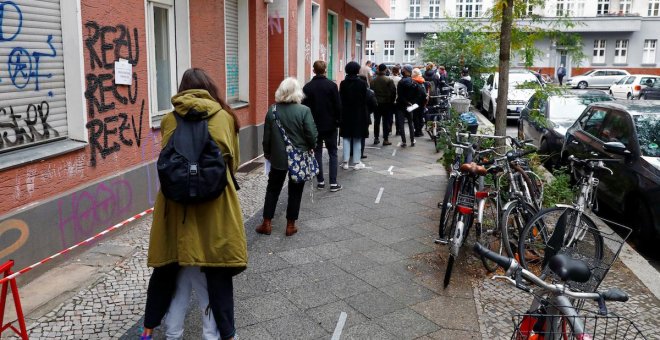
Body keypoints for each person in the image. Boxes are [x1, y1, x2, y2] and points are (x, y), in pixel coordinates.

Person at [142, 68, 246, 340]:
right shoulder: (225, 117)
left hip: (176, 209)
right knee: (212, 279)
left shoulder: (168, 119)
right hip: (216, 209)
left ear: (182, 90)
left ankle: (170, 333)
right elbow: (232, 163)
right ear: (210, 88)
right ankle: (215, 335)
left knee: (174, 276)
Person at [256, 77, 318, 236]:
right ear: (298, 93)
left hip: (278, 158)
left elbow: (267, 137)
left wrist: (268, 153)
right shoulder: (304, 111)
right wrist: (311, 146)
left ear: (281, 92)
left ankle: (266, 223)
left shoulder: (273, 110)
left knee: (273, 189)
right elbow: (311, 135)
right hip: (298, 158)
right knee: (296, 190)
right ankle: (290, 225)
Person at [302, 60, 342, 192]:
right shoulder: (332, 86)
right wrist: (338, 121)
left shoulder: (307, 87)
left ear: (313, 70)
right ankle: (333, 183)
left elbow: (304, 108)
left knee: (317, 153)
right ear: (325, 70)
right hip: (330, 125)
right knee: (333, 153)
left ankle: (320, 181)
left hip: (314, 126)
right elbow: (337, 106)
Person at [163, 267, 220, 340]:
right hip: (201, 261)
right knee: (207, 298)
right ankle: (211, 336)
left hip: (180, 261)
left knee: (178, 299)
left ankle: (173, 335)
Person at [340, 61, 372, 169]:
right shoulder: (362, 83)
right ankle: (357, 162)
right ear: (357, 70)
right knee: (358, 137)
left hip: (346, 113)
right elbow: (365, 98)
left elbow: (341, 99)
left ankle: (345, 162)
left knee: (346, 137)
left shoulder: (343, 83)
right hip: (359, 113)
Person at [370, 63, 396, 146]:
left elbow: (371, 92)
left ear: (378, 69)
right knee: (386, 122)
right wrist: (391, 102)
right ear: (385, 70)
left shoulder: (373, 80)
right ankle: (385, 139)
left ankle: (376, 138)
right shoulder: (388, 80)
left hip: (376, 104)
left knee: (376, 121)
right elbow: (393, 92)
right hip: (387, 103)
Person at [395, 64, 418, 147]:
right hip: (410, 105)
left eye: (403, 69)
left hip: (401, 105)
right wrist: (411, 102)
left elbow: (399, 95)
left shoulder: (401, 82)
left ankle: (404, 141)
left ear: (406, 71)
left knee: (401, 124)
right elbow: (417, 94)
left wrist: (405, 101)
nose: (402, 70)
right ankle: (412, 140)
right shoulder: (414, 82)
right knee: (410, 123)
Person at [411, 68, 428, 137]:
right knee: (420, 116)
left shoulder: (414, 82)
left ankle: (417, 131)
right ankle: (420, 130)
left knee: (415, 117)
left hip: (415, 102)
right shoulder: (423, 81)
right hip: (422, 102)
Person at [390, 66, 403, 136]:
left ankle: (389, 130)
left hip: (390, 100)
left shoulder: (389, 78)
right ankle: (398, 130)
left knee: (390, 115)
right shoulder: (400, 79)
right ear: (398, 71)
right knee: (398, 116)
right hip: (398, 99)